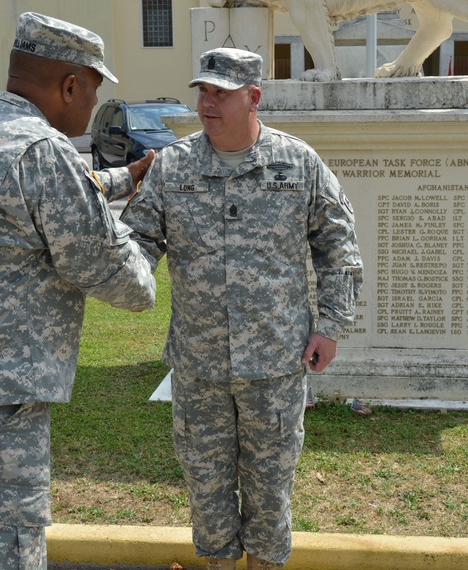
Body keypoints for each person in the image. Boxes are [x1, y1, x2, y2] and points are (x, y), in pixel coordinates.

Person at [0, 12, 157, 570]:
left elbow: (33, 202)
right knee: (7, 549)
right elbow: (115, 273)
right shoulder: (43, 151)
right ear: (70, 86)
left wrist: (125, 177)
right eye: (93, 91)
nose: (93, 108)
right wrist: (146, 248)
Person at [121, 48, 363, 570]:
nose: (207, 103)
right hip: (199, 365)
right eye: (203, 91)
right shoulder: (174, 167)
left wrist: (331, 326)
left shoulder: (297, 164)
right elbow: (138, 239)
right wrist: (123, 277)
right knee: (206, 486)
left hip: (274, 364)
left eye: (221, 93)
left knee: (270, 490)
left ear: (253, 98)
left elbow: (339, 247)